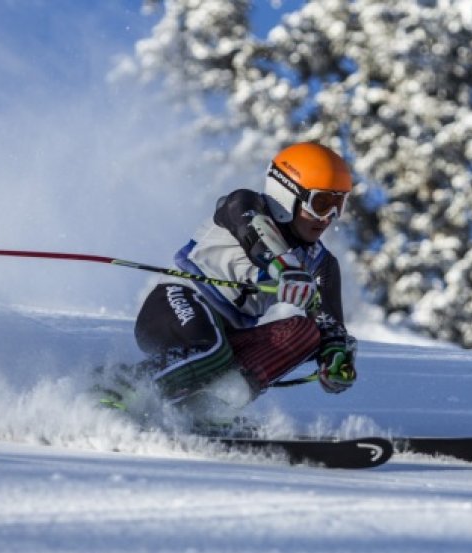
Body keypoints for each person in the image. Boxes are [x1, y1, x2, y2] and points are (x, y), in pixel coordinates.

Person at [102, 142, 358, 424]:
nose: (328, 218)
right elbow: (255, 235)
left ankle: (206, 409)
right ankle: (115, 387)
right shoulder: (245, 205)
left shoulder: (321, 263)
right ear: (286, 195)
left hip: (228, 335)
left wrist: (336, 357)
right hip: (175, 304)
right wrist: (283, 266)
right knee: (210, 349)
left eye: (338, 205)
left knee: (307, 334)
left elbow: (330, 326)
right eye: (321, 204)